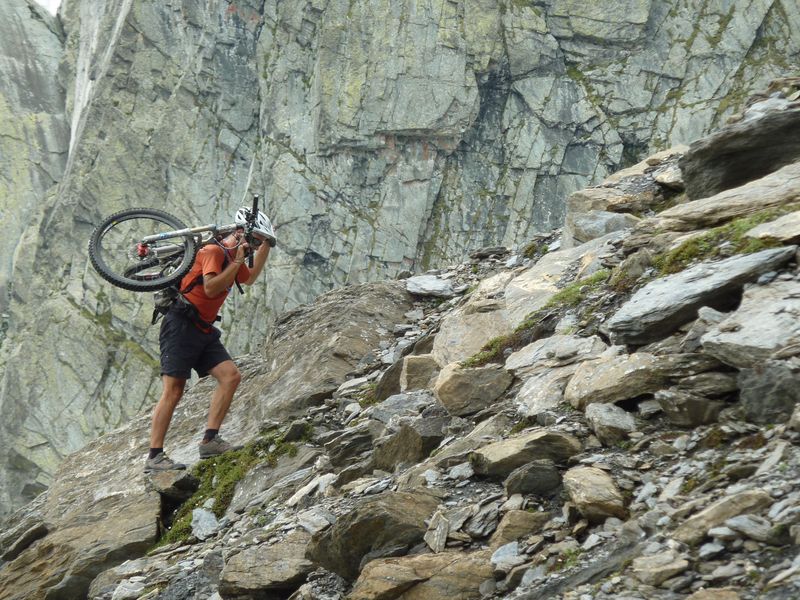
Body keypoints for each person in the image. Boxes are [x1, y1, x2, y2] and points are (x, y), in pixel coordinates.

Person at [144, 207, 276, 472]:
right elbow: (211, 287)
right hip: (180, 324)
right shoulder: (215, 252)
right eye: (253, 240)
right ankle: (154, 457)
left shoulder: (232, 257)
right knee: (174, 390)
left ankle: (210, 441)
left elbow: (248, 280)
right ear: (239, 233)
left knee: (230, 376)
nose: (254, 246)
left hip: (203, 329)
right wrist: (239, 260)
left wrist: (268, 247)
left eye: (258, 243)